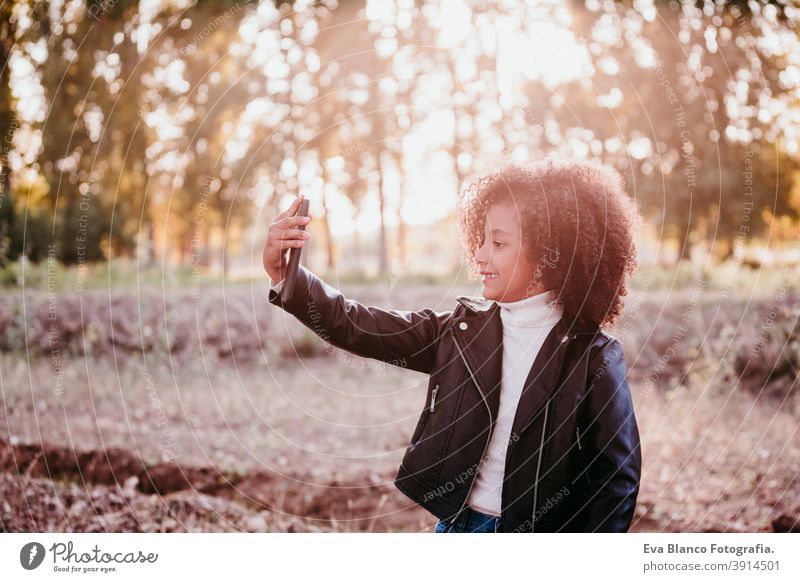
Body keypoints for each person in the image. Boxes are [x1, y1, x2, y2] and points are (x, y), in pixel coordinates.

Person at [262, 158, 643, 533]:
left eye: (498, 243)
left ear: (548, 255)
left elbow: (616, 480)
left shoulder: (593, 356)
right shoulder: (461, 331)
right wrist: (287, 277)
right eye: (481, 240)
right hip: (458, 528)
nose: (479, 255)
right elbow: (356, 324)